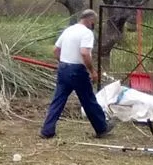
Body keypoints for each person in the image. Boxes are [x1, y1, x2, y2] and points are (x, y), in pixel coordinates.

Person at [39, 9, 114, 139]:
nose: (93, 25)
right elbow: (84, 53)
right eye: (93, 22)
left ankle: (47, 130)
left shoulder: (69, 30)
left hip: (63, 69)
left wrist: (63, 63)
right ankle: (102, 128)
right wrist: (92, 71)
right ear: (90, 20)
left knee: (58, 100)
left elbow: (56, 50)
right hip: (77, 71)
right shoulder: (86, 33)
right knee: (88, 100)